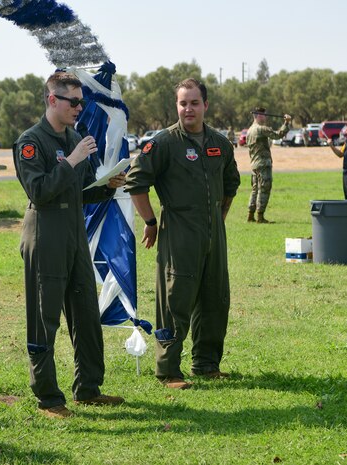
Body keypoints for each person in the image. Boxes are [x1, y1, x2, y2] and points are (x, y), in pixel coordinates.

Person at [14, 71, 125, 418]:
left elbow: (79, 192)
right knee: (44, 318)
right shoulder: (31, 141)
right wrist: (73, 160)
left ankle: (88, 388)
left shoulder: (75, 135)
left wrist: (107, 186)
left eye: (81, 101)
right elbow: (40, 192)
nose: (79, 107)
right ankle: (48, 397)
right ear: (52, 100)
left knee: (86, 315)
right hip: (46, 235)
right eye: (73, 102)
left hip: (74, 235)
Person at [125, 78, 240, 390]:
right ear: (176, 106)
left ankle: (206, 363)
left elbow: (231, 184)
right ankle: (168, 370)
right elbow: (136, 182)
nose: (188, 108)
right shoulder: (163, 144)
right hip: (179, 232)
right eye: (182, 103)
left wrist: (218, 217)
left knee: (215, 299)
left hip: (214, 234)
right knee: (175, 300)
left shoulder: (220, 143)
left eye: (194, 102)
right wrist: (150, 221)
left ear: (205, 105)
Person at [245, 107, 291, 223]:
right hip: (263, 163)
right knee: (264, 189)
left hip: (254, 164)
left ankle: (250, 215)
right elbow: (278, 135)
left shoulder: (249, 131)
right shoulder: (261, 129)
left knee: (255, 189)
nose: (265, 117)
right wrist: (286, 123)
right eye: (264, 115)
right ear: (259, 115)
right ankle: (260, 216)